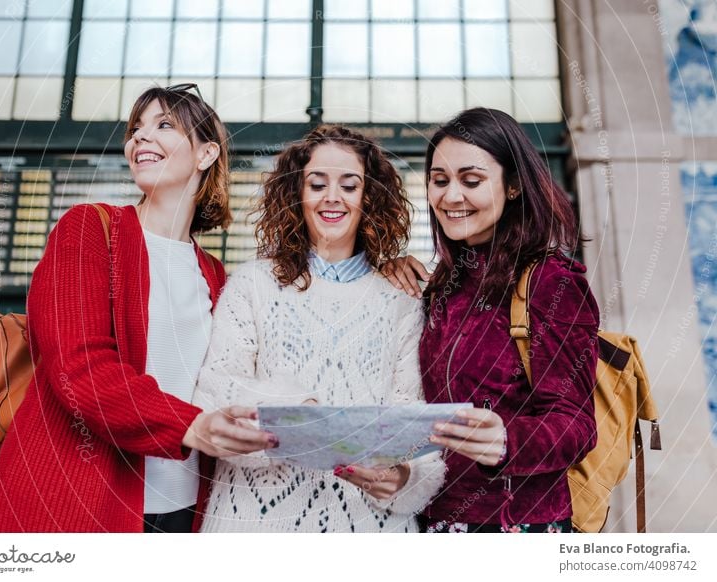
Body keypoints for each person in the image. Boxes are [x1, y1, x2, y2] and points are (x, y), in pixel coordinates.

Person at [0, 84, 275, 533]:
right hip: (79, 501)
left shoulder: (216, 276)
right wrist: (190, 425)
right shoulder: (89, 231)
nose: (140, 138)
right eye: (135, 129)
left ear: (206, 153)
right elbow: (79, 369)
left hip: (185, 509)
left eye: (163, 126)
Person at [193, 125, 446, 532]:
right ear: (297, 193)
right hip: (255, 526)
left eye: (349, 185)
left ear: (369, 198)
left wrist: (403, 478)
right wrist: (301, 414)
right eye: (317, 183)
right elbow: (214, 391)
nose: (333, 197)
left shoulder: (402, 299)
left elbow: (412, 415)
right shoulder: (253, 285)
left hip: (368, 527)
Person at [389, 108, 599, 533]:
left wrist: (507, 440)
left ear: (515, 185)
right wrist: (383, 270)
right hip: (432, 517)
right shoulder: (444, 282)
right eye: (439, 179)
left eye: (471, 180)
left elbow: (577, 425)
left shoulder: (550, 281)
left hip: (516, 523)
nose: (450, 197)